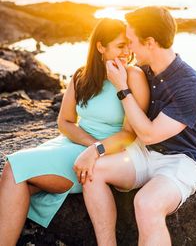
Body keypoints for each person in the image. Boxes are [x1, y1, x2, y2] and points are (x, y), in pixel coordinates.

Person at [0, 18, 149, 246]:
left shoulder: (133, 76)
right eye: (120, 46)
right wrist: (89, 144)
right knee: (20, 184)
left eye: (129, 45)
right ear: (101, 46)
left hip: (109, 153)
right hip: (74, 145)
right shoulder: (81, 76)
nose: (127, 51)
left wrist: (97, 149)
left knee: (14, 168)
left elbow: (130, 134)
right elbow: (65, 122)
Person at [82, 7, 196, 246]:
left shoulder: (193, 86)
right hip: (143, 154)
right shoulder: (142, 72)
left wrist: (122, 88)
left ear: (149, 42)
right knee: (92, 173)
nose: (128, 49)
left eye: (131, 41)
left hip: (182, 160)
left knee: (146, 203)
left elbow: (149, 134)